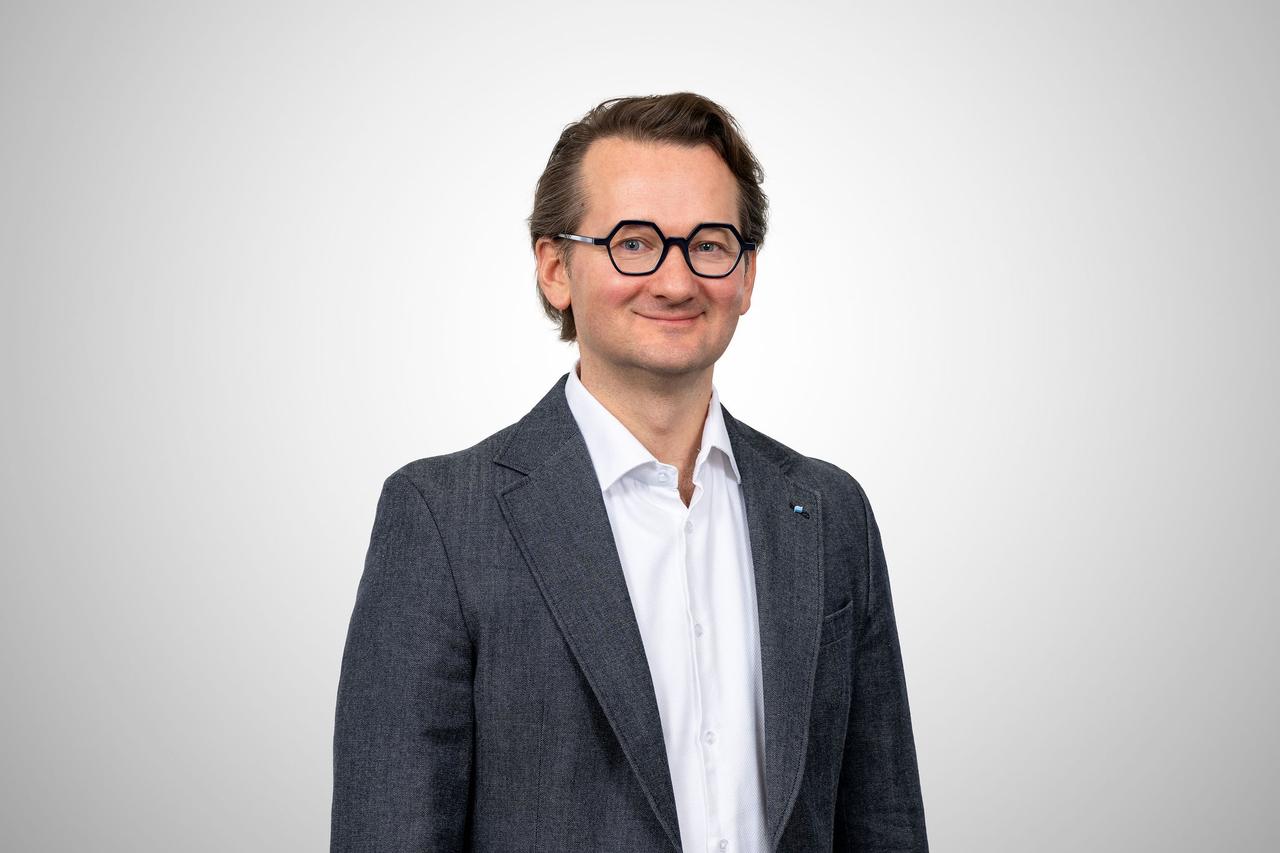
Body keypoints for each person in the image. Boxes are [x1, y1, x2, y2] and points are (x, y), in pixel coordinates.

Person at [331, 92, 929, 853]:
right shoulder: (444, 520)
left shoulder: (830, 511)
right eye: (634, 242)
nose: (676, 282)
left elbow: (883, 823)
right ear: (555, 269)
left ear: (747, 274)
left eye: (710, 244)